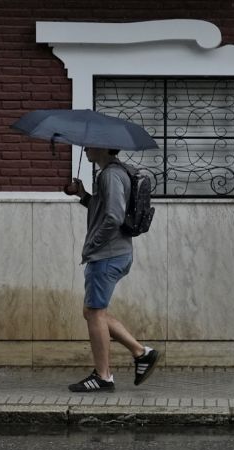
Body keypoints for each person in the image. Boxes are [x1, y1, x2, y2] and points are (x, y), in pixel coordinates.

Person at [63, 147, 159, 392]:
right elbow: (104, 208)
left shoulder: (110, 175)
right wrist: (84, 195)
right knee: (93, 311)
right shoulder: (114, 173)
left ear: (103, 147)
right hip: (117, 253)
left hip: (107, 255)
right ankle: (141, 353)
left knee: (95, 313)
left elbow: (114, 217)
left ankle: (103, 377)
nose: (85, 149)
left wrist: (93, 244)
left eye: (90, 144)